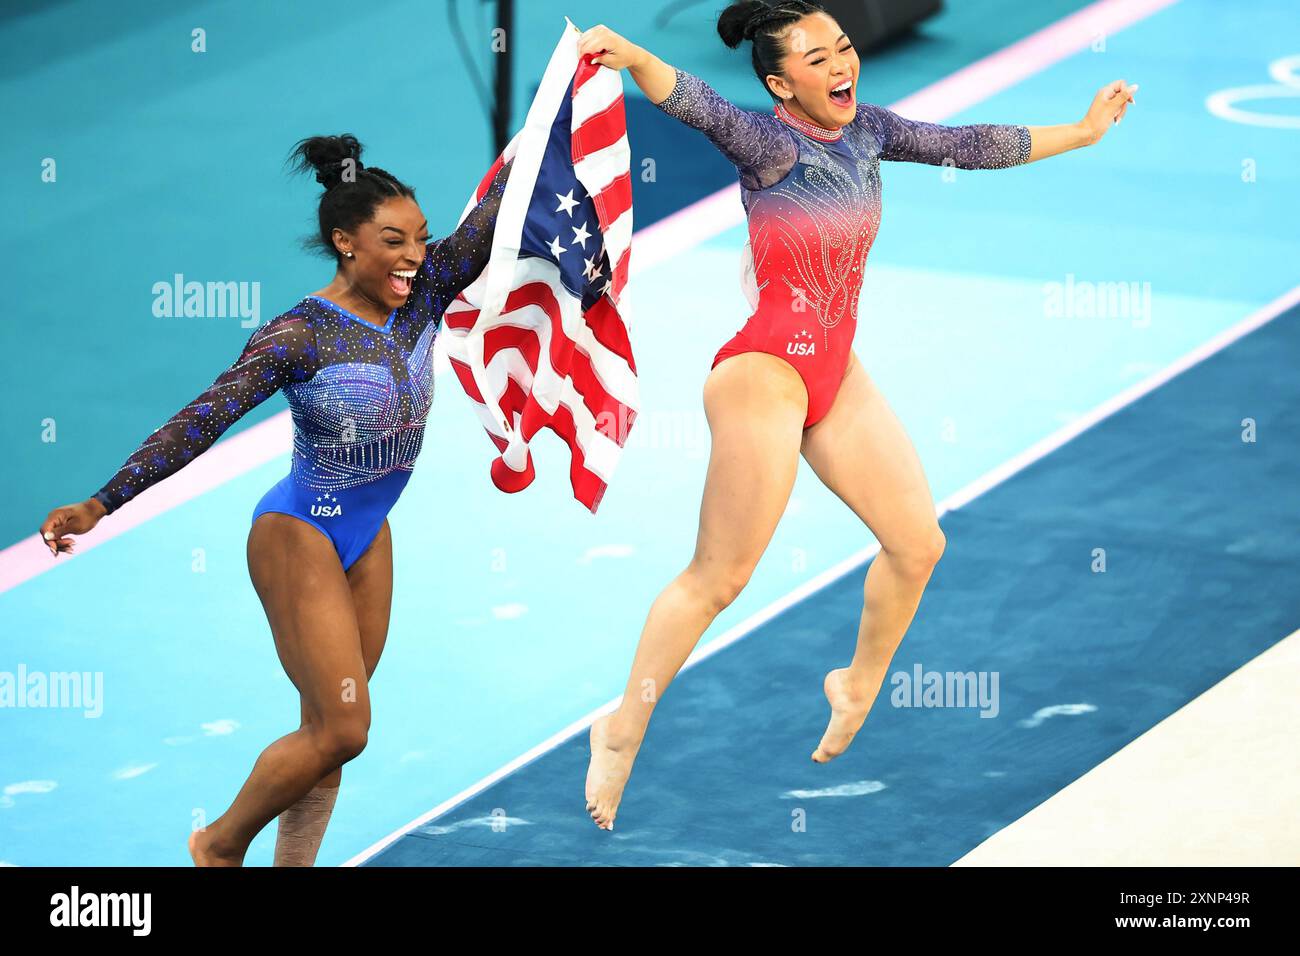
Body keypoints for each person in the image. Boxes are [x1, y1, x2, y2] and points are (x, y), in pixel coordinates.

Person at [578, 0, 1136, 830]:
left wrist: (1081, 133)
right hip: (764, 373)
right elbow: (694, 100)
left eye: (844, 46)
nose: (842, 63)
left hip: (836, 370)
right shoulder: (768, 144)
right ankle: (623, 726)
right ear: (779, 82)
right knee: (719, 577)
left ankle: (857, 684)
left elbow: (968, 146)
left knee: (918, 545)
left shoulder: (869, 129)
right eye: (817, 57)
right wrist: (630, 55)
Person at [37, 134, 511, 865]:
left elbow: (501, 206)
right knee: (346, 726)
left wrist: (573, 89)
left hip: (369, 533)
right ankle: (220, 845)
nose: (414, 254)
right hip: (300, 534)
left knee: (327, 732)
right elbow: (202, 418)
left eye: (420, 237)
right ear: (344, 243)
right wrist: (103, 502)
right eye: (393, 241)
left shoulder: (427, 291)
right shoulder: (299, 334)